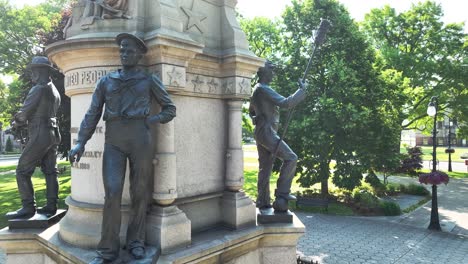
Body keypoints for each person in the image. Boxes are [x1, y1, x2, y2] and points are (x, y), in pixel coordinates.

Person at [69, 33, 176, 263]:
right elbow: (92, 113)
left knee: (139, 192)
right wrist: (80, 142)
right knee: (113, 192)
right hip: (114, 142)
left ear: (139, 55)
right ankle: (107, 249)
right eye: (122, 50)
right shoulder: (106, 81)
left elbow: (170, 108)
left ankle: (136, 242)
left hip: (141, 140)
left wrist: (151, 120)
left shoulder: (148, 80)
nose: (124, 54)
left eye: (129, 51)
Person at [5, 56, 61, 219]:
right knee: (51, 171)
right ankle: (52, 205)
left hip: (40, 132)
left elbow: (23, 115)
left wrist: (15, 123)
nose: (32, 74)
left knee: (22, 170)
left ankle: (28, 207)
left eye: (33, 71)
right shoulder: (54, 90)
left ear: (41, 71)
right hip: (53, 133)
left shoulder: (38, 89)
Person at [249, 60, 307, 212]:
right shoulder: (263, 89)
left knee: (265, 169)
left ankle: (262, 201)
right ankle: (282, 194)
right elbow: (286, 103)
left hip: (263, 131)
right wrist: (301, 91)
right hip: (267, 132)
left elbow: (251, 111)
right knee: (291, 157)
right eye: (271, 71)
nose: (273, 74)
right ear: (264, 72)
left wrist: (258, 118)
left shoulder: (257, 89)